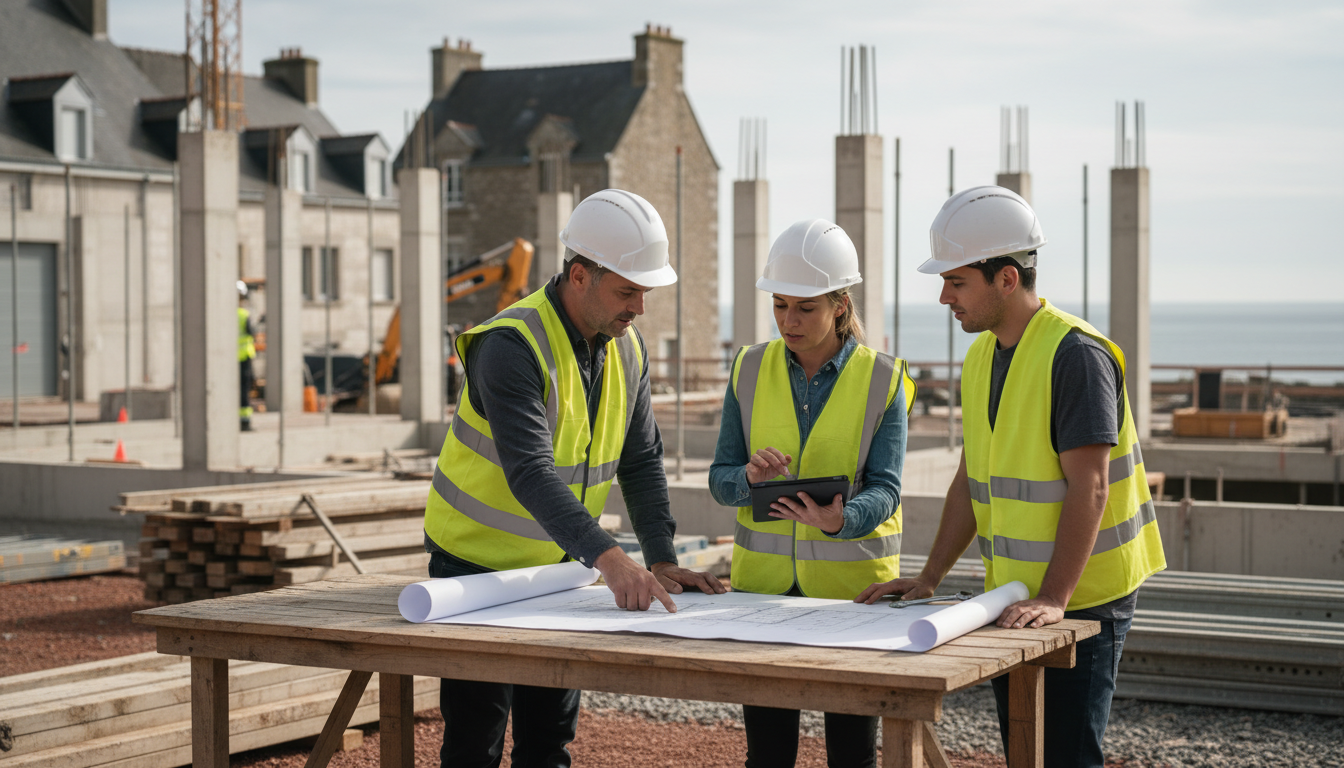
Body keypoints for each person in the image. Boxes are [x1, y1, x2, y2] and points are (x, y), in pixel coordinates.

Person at [856, 186, 1166, 768]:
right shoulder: (982, 356)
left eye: (956, 281)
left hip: (1083, 601)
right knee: (1026, 752)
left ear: (1005, 278)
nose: (944, 296)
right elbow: (971, 481)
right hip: (1016, 598)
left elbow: (1092, 486)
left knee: (1065, 758)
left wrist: (1055, 597)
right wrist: (929, 578)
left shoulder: (1076, 356)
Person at [423, 188, 726, 768]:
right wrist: (612, 560)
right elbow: (530, 472)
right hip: (474, 568)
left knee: (548, 742)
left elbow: (641, 460)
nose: (640, 308)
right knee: (475, 745)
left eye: (645, 292)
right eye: (628, 291)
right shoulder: (509, 345)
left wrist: (660, 558)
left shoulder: (626, 348)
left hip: (561, 567)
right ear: (580, 275)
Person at [709, 219, 915, 768]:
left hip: (853, 597)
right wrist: (747, 480)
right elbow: (721, 478)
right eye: (779, 305)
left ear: (840, 305)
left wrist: (840, 520)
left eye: (805, 308)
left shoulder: (883, 379)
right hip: (762, 594)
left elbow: (887, 489)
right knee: (768, 756)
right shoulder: (748, 369)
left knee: (851, 756)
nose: (788, 321)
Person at [237, 280, 256, 432]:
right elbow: (251, 333)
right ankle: (244, 421)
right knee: (244, 390)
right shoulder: (243, 314)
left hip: (226, 359)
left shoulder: (221, 313)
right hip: (243, 357)